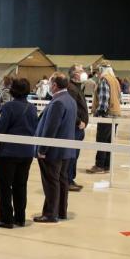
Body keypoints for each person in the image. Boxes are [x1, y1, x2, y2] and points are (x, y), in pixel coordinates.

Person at [0, 78, 36, 228]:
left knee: (5, 186)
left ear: (13, 90)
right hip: (26, 152)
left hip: (8, 153)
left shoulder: (9, 107)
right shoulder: (32, 108)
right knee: (21, 185)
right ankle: (20, 218)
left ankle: (6, 219)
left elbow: (0, 129)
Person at [34, 73, 77, 223]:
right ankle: (61, 211)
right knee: (62, 181)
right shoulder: (70, 100)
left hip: (53, 151)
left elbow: (51, 129)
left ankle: (50, 213)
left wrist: (42, 149)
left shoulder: (58, 102)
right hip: (65, 149)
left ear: (54, 85)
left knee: (51, 182)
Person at [86, 63, 121, 174]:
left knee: (101, 140)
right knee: (109, 141)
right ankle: (106, 166)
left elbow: (104, 99)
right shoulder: (115, 80)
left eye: (98, 70)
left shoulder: (104, 80)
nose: (97, 72)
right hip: (115, 114)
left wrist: (99, 112)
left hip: (106, 115)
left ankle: (99, 165)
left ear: (102, 69)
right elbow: (119, 97)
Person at [66, 65, 90, 191]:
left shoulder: (77, 87)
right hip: (75, 127)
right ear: (74, 74)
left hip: (79, 128)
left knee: (75, 155)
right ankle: (67, 180)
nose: (84, 72)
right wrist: (78, 121)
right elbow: (71, 108)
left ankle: (71, 179)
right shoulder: (71, 88)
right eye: (81, 71)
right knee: (71, 155)